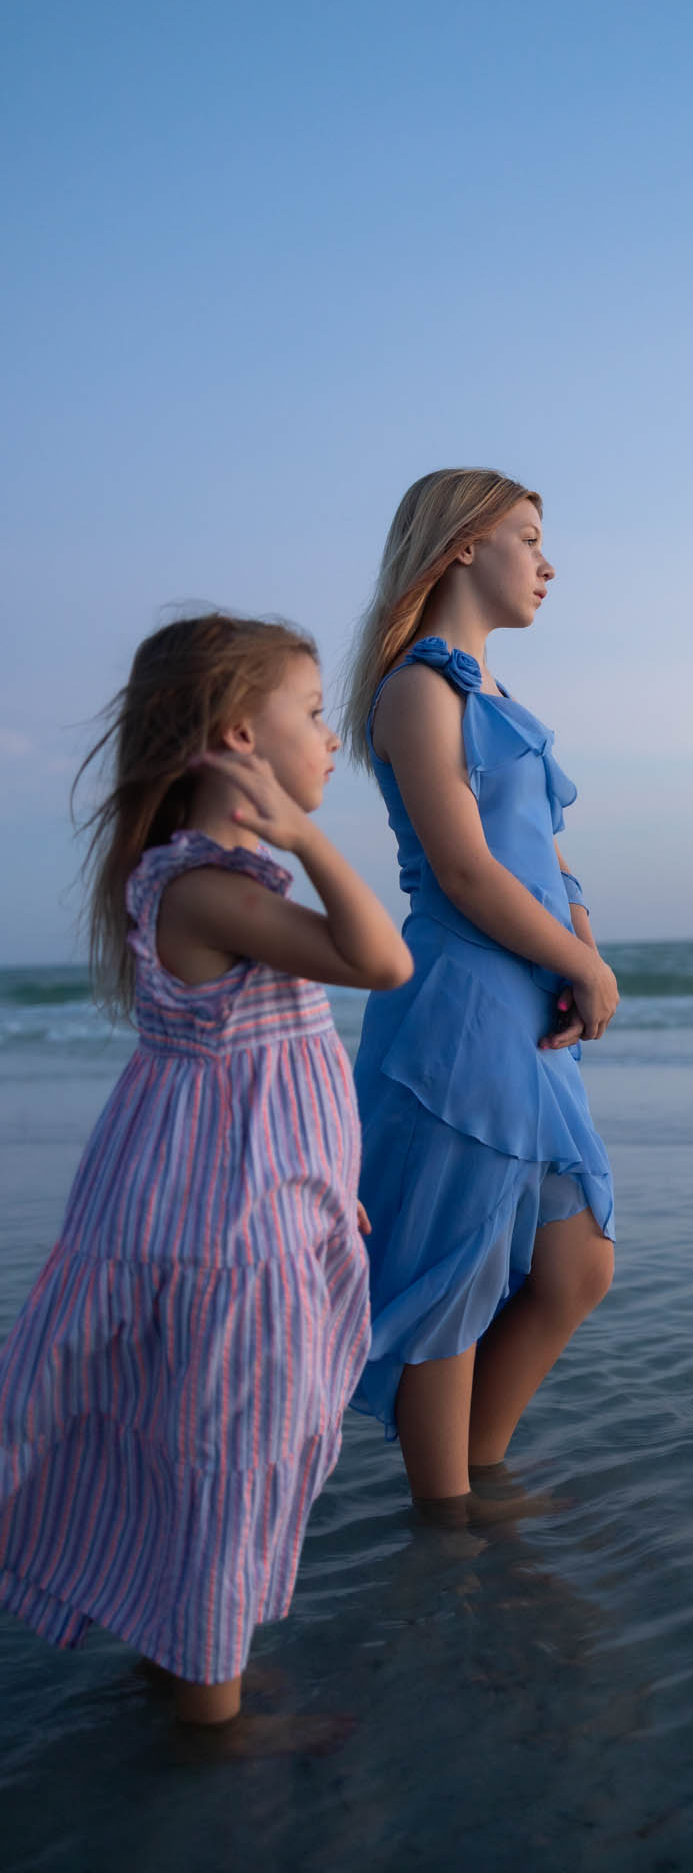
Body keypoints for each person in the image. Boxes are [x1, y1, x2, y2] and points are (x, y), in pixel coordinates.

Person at [0, 613, 411, 1752]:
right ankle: (216, 1731)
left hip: (228, 1201)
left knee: (200, 1440)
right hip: (228, 1231)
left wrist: (328, 1179)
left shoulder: (207, 879)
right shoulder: (208, 886)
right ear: (239, 736)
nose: (334, 738)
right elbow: (382, 960)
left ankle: (180, 1667)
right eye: (316, 713)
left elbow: (270, 1078)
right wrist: (318, 844)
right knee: (230, 1456)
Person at [344, 469, 616, 1522]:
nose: (546, 563)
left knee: (575, 1263)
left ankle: (477, 1480)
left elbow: (543, 857)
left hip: (529, 1008)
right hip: (461, 1010)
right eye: (528, 537)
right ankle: (448, 1521)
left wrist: (581, 942)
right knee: (452, 1280)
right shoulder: (421, 687)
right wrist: (582, 968)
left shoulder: (500, 702)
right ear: (462, 545)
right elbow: (464, 870)